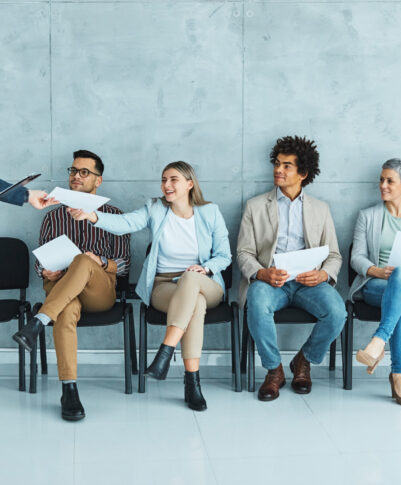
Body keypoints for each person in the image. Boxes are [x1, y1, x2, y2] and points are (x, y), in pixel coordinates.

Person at [68, 161, 231, 411]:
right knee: (194, 304)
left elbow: (225, 256)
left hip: (205, 282)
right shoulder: (155, 208)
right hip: (164, 285)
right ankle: (192, 383)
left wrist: (206, 268)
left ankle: (165, 351)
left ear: (190, 184)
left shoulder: (210, 212)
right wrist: (93, 216)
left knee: (191, 280)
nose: (166, 185)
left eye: (173, 179)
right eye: (164, 179)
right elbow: (125, 223)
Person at [13, 150, 130, 421]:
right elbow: (39, 264)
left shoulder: (113, 215)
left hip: (99, 292)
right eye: (73, 171)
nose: (76, 176)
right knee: (64, 311)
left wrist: (98, 261)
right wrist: (45, 270)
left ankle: (38, 322)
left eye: (84, 172)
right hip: (61, 290)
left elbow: (124, 265)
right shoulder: (53, 218)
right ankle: (69, 390)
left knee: (83, 260)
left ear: (98, 181)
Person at [237, 136, 346, 402]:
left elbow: (334, 255)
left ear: (303, 173)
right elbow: (243, 252)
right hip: (271, 280)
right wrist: (262, 273)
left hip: (309, 282)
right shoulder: (255, 206)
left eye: (287, 166)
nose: (278, 170)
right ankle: (274, 370)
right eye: (277, 164)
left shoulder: (321, 209)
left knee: (337, 312)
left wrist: (323, 274)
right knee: (256, 300)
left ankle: (303, 361)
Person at [350, 158, 401, 407]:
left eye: (390, 181)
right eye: (381, 180)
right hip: (375, 284)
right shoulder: (368, 216)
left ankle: (378, 343)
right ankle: (398, 372)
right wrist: (376, 270)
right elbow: (356, 258)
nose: (383, 185)